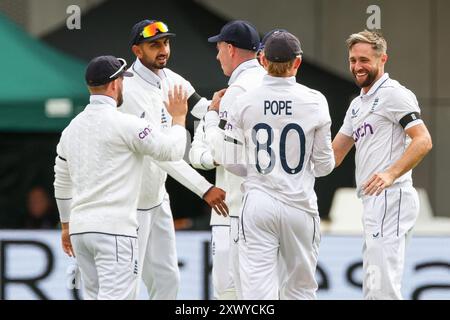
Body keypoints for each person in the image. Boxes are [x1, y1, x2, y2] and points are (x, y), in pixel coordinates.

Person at [53, 55, 193, 300]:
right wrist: (179, 118)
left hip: (81, 231)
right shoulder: (127, 125)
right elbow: (171, 151)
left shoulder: (70, 130)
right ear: (115, 84)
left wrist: (66, 226)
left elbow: (62, 183)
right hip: (114, 231)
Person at [222, 31, 335, 300]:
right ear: (297, 62)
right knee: (301, 289)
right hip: (300, 203)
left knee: (257, 293)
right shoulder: (316, 100)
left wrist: (259, 172)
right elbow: (324, 165)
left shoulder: (244, 101)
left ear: (262, 59)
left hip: (259, 202)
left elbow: (230, 161)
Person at [120, 19, 228, 300]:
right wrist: (204, 187)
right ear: (136, 50)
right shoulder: (128, 91)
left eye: (166, 43)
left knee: (168, 281)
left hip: (157, 199)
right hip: (130, 203)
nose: (163, 49)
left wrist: (224, 104)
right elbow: (162, 155)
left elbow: (203, 109)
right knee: (125, 285)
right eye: (154, 45)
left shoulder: (172, 78)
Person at [332, 30, 432, 299]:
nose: (357, 67)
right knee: (374, 286)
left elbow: (422, 140)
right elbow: (333, 155)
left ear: (383, 58)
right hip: (373, 201)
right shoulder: (357, 104)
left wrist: (390, 173)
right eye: (352, 60)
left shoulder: (393, 94)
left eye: (364, 59)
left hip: (392, 196)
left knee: (382, 287)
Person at [189, 20, 265, 299]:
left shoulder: (237, 91)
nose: (217, 55)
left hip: (231, 209)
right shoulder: (271, 83)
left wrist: (210, 113)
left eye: (219, 49)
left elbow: (208, 156)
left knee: (229, 293)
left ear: (231, 49)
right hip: (268, 206)